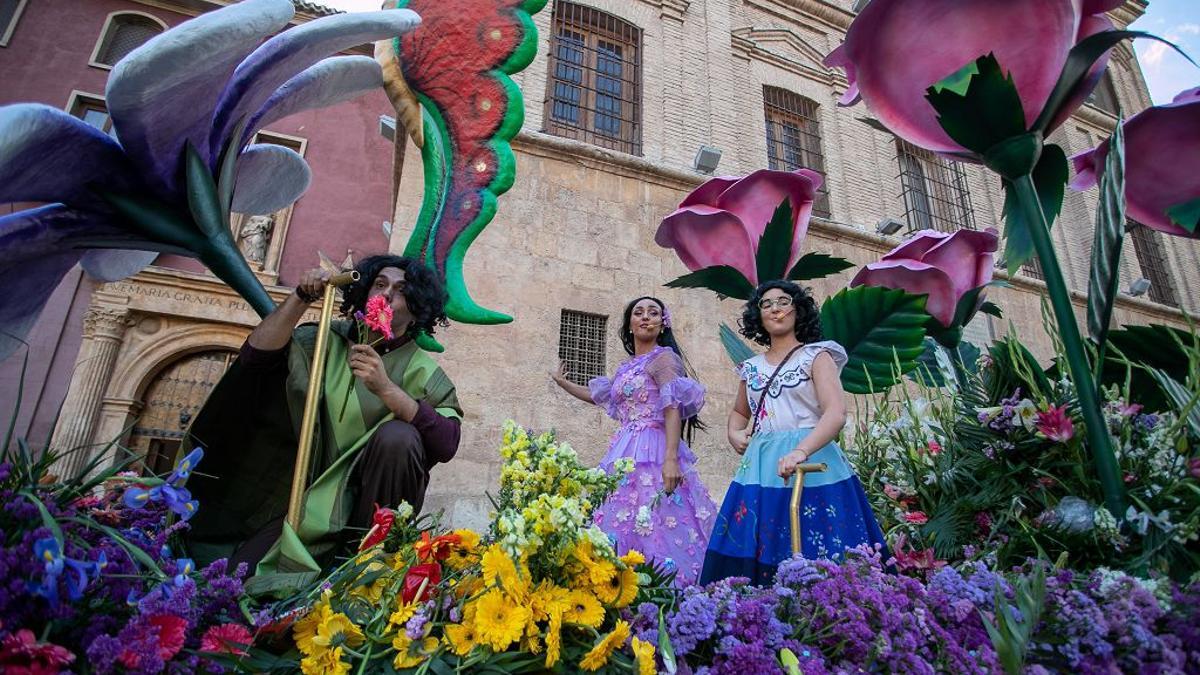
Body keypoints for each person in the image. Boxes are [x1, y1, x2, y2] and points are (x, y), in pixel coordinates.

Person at [184, 254, 462, 594]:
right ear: (363, 293)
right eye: (379, 284)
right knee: (241, 582)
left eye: (401, 290)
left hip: (369, 505)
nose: (387, 295)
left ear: (418, 308)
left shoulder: (425, 372)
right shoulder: (320, 341)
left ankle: (372, 560)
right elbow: (256, 357)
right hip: (300, 495)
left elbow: (447, 442)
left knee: (398, 436)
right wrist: (301, 297)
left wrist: (388, 390)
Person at [700, 280, 885, 585]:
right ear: (757, 316)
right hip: (761, 467)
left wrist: (801, 451)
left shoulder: (817, 356)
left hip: (813, 460)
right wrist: (734, 432)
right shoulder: (751, 368)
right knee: (759, 536)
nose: (775, 308)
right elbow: (739, 413)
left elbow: (835, 413)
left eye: (783, 301)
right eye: (766, 304)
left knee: (821, 540)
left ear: (798, 310)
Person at [551, 296, 717, 585]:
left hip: (653, 447)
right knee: (620, 515)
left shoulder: (663, 359)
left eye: (653, 313)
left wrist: (669, 459)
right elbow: (600, 396)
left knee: (657, 518)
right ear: (629, 325)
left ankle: (665, 589)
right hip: (624, 448)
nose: (645, 317)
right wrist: (564, 384)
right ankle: (618, 583)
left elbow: (672, 406)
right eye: (638, 313)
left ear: (662, 323)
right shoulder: (627, 367)